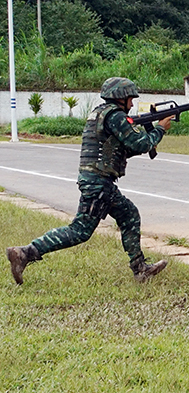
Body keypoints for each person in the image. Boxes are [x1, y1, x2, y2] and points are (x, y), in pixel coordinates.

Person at [6, 77, 173, 284]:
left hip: (96, 180)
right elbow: (139, 144)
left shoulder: (100, 114)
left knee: (129, 215)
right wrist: (159, 129)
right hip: (99, 182)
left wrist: (149, 133)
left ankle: (140, 269)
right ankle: (25, 253)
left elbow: (122, 150)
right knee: (80, 230)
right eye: (130, 99)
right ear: (120, 98)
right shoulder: (115, 116)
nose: (132, 104)